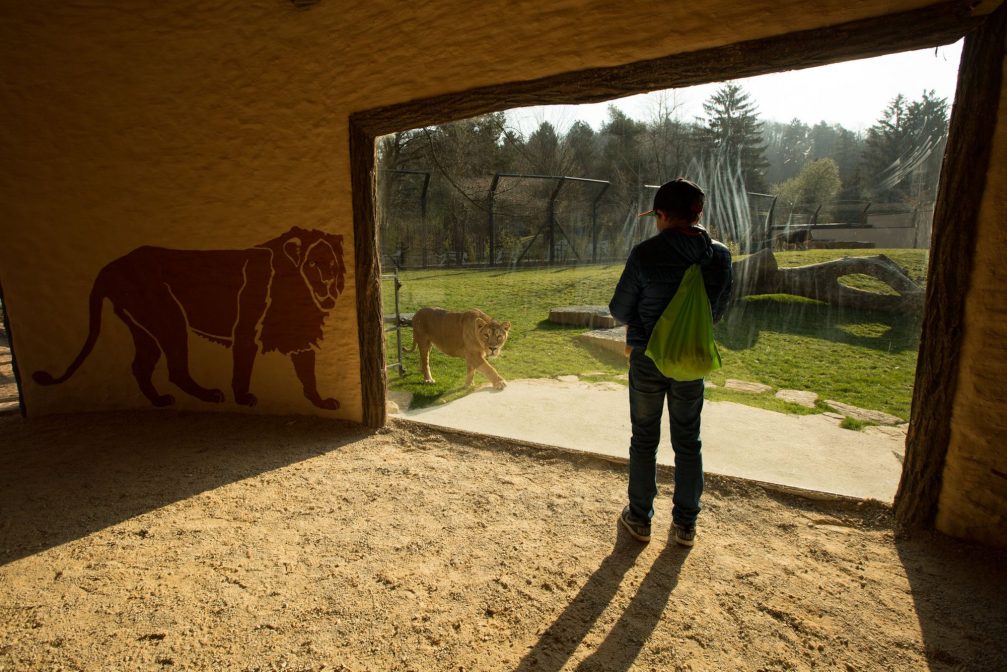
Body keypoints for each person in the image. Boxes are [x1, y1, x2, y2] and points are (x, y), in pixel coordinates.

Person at [608, 178, 733, 547]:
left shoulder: (646, 253)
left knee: (644, 439)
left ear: (662, 214)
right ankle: (685, 525)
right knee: (688, 440)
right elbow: (718, 311)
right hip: (692, 360)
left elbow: (618, 310)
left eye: (657, 216)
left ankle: (640, 518)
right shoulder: (720, 255)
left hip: (648, 359)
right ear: (697, 215)